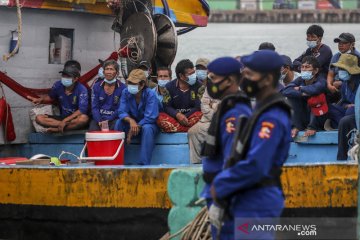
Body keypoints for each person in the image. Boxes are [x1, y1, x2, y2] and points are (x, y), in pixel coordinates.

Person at [208, 50, 292, 239]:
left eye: (250, 75)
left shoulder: (272, 117)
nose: (244, 79)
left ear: (267, 79)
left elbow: (257, 164)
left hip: (259, 199)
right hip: (247, 196)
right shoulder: (260, 110)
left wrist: (221, 184)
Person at [200, 57, 252, 239]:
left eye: (213, 79)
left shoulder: (235, 114)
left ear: (229, 80)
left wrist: (221, 201)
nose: (210, 83)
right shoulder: (228, 107)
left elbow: (234, 158)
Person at [27, 64, 89, 133]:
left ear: (76, 79)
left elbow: (81, 110)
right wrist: (41, 100)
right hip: (62, 117)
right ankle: (63, 127)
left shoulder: (82, 89)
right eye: (63, 75)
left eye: (68, 76)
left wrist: (65, 121)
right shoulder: (58, 85)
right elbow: (51, 97)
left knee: (84, 119)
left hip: (74, 118)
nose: (64, 78)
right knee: (39, 118)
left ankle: (57, 129)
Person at [115, 69, 159, 165]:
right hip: (132, 123)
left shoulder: (150, 94)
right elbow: (122, 111)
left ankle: (144, 164)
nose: (130, 85)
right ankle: (117, 160)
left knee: (147, 128)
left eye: (134, 83)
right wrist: (131, 121)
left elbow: (150, 117)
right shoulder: (125, 92)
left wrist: (136, 126)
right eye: (129, 82)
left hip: (147, 125)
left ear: (142, 84)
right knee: (119, 123)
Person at [282, 56, 328, 137]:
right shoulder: (300, 79)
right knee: (292, 97)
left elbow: (315, 89)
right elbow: (286, 90)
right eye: (302, 67)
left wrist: (300, 88)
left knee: (315, 97)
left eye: (307, 67)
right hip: (305, 114)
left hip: (321, 116)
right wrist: (302, 94)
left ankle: (313, 127)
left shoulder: (321, 79)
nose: (304, 69)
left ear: (316, 70)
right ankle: (297, 127)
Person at [157, 59, 204, 132]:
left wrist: (184, 117)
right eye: (190, 74)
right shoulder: (169, 87)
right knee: (159, 117)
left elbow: (198, 107)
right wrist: (177, 115)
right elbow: (167, 106)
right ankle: (187, 129)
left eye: (193, 73)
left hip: (191, 117)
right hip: (174, 117)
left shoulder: (199, 86)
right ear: (181, 76)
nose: (194, 76)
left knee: (201, 114)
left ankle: (178, 128)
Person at [188, 69, 220, 164]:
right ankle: (196, 163)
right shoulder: (209, 88)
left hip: (222, 121)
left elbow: (226, 109)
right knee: (192, 131)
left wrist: (213, 105)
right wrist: (214, 108)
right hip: (208, 120)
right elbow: (204, 106)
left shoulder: (231, 89)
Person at [89, 60, 126, 131]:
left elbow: (120, 109)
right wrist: (99, 120)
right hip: (98, 119)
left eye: (111, 69)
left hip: (114, 119)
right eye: (107, 69)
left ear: (117, 73)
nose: (108, 72)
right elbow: (94, 107)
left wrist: (108, 120)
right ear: (103, 72)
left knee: (117, 128)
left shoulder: (123, 88)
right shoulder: (96, 86)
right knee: (92, 133)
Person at [327, 54, 360, 129]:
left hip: (356, 111)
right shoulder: (345, 83)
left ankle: (344, 126)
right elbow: (344, 101)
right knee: (329, 107)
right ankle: (342, 126)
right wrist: (346, 105)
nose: (339, 71)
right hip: (348, 110)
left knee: (350, 111)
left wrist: (355, 106)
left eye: (342, 69)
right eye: (339, 69)